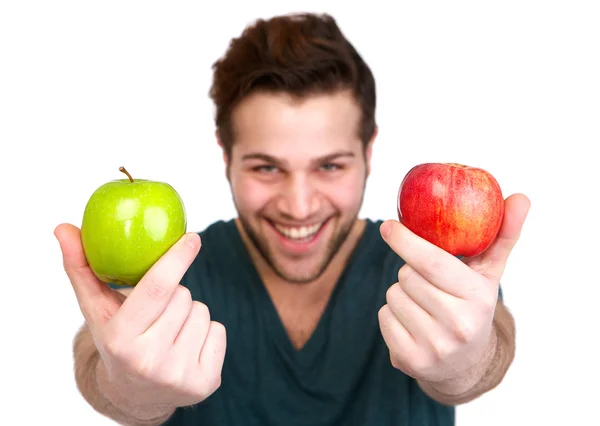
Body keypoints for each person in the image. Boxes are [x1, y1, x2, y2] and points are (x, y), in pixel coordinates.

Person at [55, 12, 530, 426]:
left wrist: (466, 363)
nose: (299, 206)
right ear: (226, 157)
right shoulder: (174, 266)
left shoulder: (424, 263)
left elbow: (493, 338)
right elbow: (96, 359)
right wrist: (131, 392)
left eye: (330, 166)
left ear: (368, 153)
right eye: (266, 167)